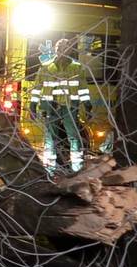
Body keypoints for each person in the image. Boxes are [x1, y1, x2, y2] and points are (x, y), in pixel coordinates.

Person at [29, 36, 91, 174]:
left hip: (70, 106)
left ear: (70, 50)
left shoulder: (77, 68)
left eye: (65, 48)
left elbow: (83, 88)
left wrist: (87, 103)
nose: (62, 51)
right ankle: (50, 170)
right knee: (50, 137)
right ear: (56, 50)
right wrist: (33, 105)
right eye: (59, 48)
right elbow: (37, 88)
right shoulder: (46, 68)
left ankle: (77, 168)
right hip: (50, 106)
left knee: (74, 136)